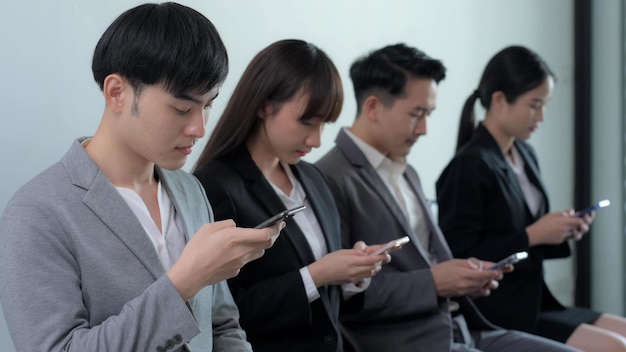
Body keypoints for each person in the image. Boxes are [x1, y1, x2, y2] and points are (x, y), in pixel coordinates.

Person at [0, 3, 281, 351]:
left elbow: (222, 326)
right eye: (182, 108)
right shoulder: (37, 212)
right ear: (117, 92)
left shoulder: (191, 190)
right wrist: (184, 282)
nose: (199, 128)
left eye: (207, 105)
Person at [316, 43, 581, 351]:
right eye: (417, 114)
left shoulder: (406, 170)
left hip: (462, 327)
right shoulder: (330, 178)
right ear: (373, 107)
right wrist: (435, 282)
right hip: (408, 341)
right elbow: (343, 296)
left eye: (429, 114)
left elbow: (430, 258)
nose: (425, 129)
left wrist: (466, 276)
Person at [192, 39, 389, 352]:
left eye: (324, 123)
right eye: (307, 122)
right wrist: (317, 274)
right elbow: (224, 310)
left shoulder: (314, 179)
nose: (316, 139)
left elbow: (331, 313)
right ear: (263, 105)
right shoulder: (214, 186)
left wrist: (351, 273)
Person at [435, 45, 626, 351]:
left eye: (545, 105)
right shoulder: (469, 166)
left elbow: (526, 235)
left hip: (537, 298)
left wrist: (561, 230)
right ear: (499, 100)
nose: (542, 116)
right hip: (500, 309)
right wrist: (534, 234)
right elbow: (460, 254)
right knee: (616, 346)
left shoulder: (524, 153)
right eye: (535, 104)